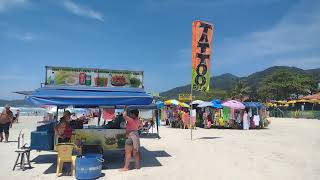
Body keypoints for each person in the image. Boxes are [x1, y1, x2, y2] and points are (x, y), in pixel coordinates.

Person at [120, 106, 142, 171]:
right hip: (136, 137)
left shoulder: (131, 120)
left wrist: (125, 109)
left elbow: (124, 116)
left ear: (133, 114)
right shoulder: (138, 120)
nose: (129, 115)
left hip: (129, 137)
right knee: (136, 152)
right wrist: (135, 129)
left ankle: (126, 167)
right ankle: (137, 166)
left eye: (130, 114)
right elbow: (141, 126)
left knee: (128, 153)